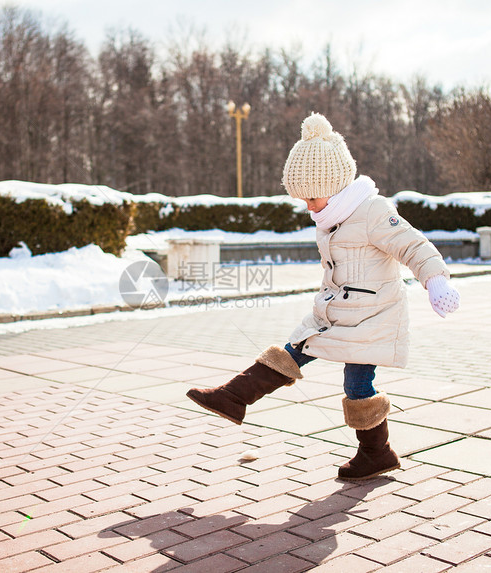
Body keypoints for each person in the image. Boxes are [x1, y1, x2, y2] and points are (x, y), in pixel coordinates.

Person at [186, 112, 460, 481]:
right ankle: (233, 397)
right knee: (293, 349)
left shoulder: (373, 212)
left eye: (312, 198)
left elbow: (413, 245)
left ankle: (376, 453)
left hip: (371, 318)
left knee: (357, 385)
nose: (308, 207)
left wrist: (436, 279)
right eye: (303, 200)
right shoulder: (331, 217)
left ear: (334, 186)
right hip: (333, 312)